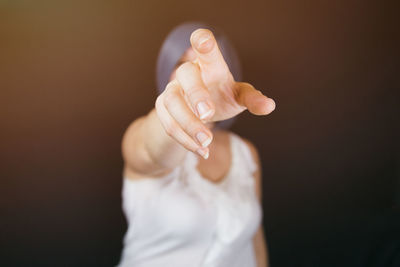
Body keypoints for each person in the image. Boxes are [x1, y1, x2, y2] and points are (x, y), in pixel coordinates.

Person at [117, 22, 276, 267]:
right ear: (166, 73)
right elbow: (151, 150)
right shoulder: (141, 136)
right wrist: (173, 109)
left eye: (206, 65)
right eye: (182, 65)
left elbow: (254, 241)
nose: (199, 75)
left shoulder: (245, 153)